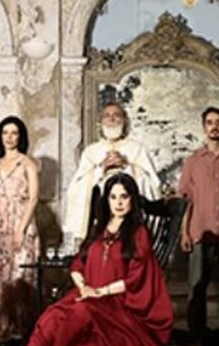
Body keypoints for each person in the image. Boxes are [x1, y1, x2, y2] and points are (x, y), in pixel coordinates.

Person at [0, 173, 174, 346]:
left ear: (132, 199)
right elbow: (77, 264)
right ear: (106, 200)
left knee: (81, 312)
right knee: (53, 315)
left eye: (124, 197)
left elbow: (136, 279)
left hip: (117, 302)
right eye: (113, 197)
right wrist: (84, 287)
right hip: (87, 294)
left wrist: (101, 292)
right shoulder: (99, 229)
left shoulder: (139, 233)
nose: (118, 203)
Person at [63, 102, 160, 244]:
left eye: (116, 115)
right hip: (99, 214)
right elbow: (76, 187)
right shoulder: (91, 152)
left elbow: (152, 183)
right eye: (107, 115)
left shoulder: (137, 149)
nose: (112, 118)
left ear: (125, 120)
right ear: (101, 122)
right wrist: (101, 169)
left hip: (131, 215)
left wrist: (127, 166)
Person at [177, 106, 219, 346]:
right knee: (197, 285)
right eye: (209, 122)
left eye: (218, 122)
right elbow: (185, 199)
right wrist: (184, 232)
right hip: (200, 229)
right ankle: (196, 337)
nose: (214, 127)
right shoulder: (193, 162)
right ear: (204, 128)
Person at [0, 115, 40, 343]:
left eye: (14, 133)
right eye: (5, 133)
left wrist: (21, 228)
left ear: (20, 136)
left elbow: (33, 198)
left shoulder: (28, 163)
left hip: (20, 222)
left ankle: (21, 332)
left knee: (20, 277)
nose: (9, 137)